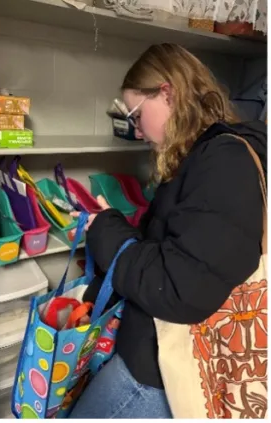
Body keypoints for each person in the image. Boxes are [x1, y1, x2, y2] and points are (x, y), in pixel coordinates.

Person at [69, 43, 266, 419]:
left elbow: (180, 287)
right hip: (156, 354)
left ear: (168, 93)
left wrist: (107, 232)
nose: (138, 131)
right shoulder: (203, 156)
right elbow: (184, 250)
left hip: (162, 372)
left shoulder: (225, 161)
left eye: (138, 115)